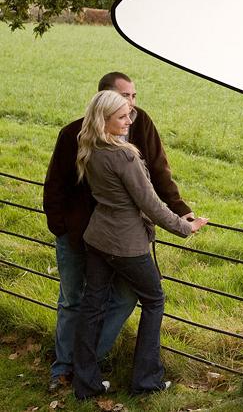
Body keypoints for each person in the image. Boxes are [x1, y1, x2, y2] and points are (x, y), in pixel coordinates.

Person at [43, 72, 194, 392]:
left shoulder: (123, 131)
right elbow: (146, 200)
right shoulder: (83, 138)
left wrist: (179, 206)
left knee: (107, 301)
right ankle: (74, 370)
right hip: (94, 237)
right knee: (80, 300)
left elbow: (159, 170)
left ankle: (85, 372)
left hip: (100, 237)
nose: (131, 109)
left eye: (134, 98)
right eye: (125, 99)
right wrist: (184, 226)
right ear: (105, 103)